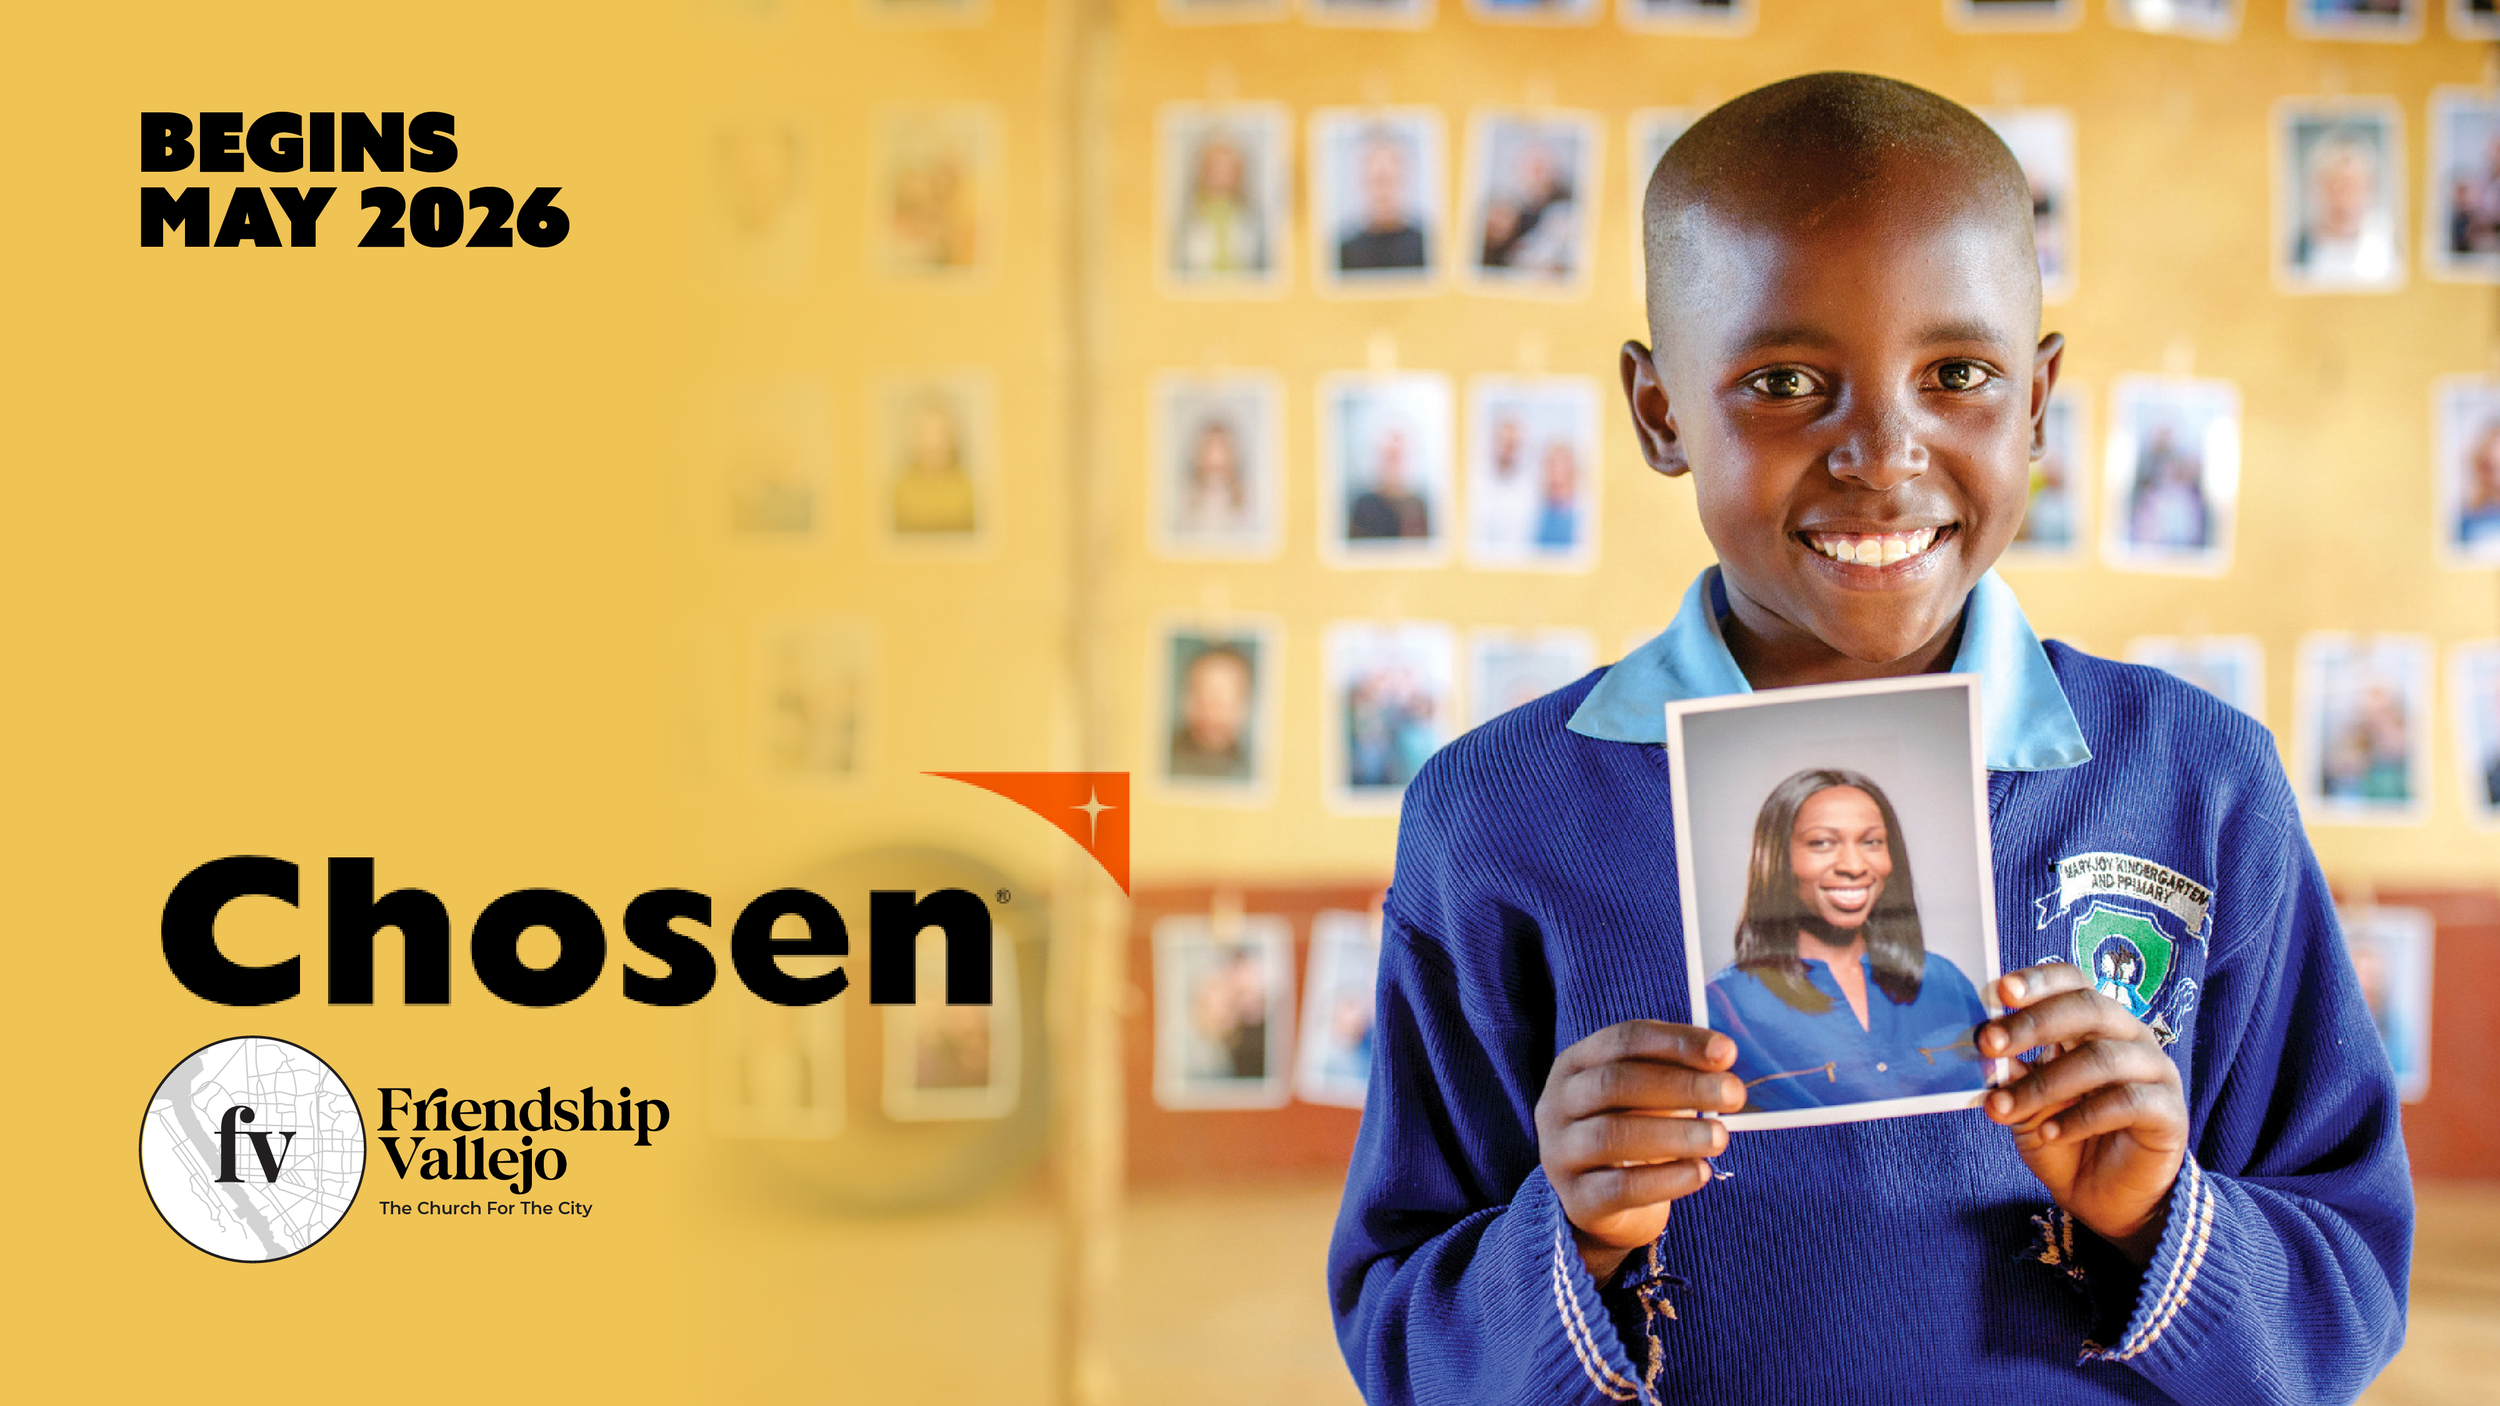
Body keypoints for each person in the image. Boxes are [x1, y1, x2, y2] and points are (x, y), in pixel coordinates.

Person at [1329, 73, 2408, 1406]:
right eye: (1786, 381)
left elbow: (2347, 1274)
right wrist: (1577, 1240)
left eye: (1959, 374)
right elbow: (1398, 1318)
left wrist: (2160, 1219)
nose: (1883, 454)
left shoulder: (2198, 784)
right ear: (1661, 412)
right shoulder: (1498, 812)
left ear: (2040, 397)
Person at [1703, 770, 1990, 1111]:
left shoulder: (1946, 982)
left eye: (1871, 842)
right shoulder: (1726, 1002)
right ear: (1777, 859)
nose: (1854, 866)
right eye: (1821, 843)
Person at [1173, 127, 1267, 278]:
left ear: (1239, 171)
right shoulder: (1185, 219)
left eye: (1228, 167)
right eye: (1215, 166)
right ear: (1202, 170)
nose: (1221, 174)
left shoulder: (1255, 219)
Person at [1338, 127, 1429, 273]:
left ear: (1405, 178)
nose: (1382, 192)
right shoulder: (1343, 253)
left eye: (1388, 180)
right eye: (1375, 181)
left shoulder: (1429, 247)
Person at [1167, 641, 1256, 781]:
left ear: (1244, 706)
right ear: (1186, 700)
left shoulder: (1252, 772)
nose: (1212, 712)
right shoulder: (1160, 758)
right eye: (1202, 697)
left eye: (1223, 702)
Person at [890, 393, 977, 536]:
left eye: (940, 433)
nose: (933, 443)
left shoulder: (970, 493)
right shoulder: (897, 493)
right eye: (925, 433)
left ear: (952, 437)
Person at [1347, 421, 1431, 539]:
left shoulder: (1420, 506)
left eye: (1398, 457)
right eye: (1389, 456)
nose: (1393, 465)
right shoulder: (1362, 505)